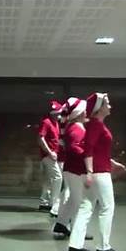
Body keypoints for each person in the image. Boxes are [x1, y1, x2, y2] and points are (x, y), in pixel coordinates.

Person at [68, 93, 126, 251]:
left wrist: (113, 163)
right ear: (99, 108)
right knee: (107, 207)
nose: (110, 106)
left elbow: (98, 151)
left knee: (86, 206)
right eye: (107, 103)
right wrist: (89, 172)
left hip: (98, 170)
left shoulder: (96, 124)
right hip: (99, 173)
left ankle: (75, 244)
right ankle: (103, 246)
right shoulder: (96, 125)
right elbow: (88, 150)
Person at [53, 97, 93, 241]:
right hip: (76, 170)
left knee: (73, 200)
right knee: (80, 202)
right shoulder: (76, 128)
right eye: (85, 111)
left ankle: (61, 224)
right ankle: (77, 231)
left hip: (72, 169)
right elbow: (75, 148)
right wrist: (88, 157)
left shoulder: (73, 127)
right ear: (81, 113)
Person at [37, 101, 64, 217]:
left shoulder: (56, 123)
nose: (59, 115)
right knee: (58, 177)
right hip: (48, 156)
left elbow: (54, 139)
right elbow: (40, 138)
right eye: (58, 113)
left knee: (48, 179)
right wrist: (49, 152)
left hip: (54, 155)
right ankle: (54, 204)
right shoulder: (46, 122)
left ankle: (44, 202)